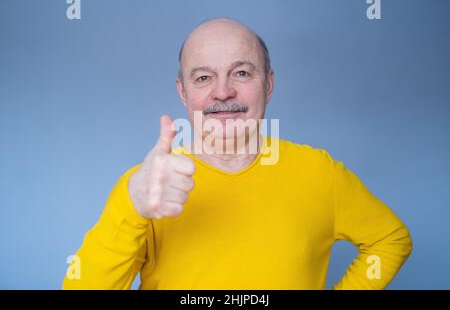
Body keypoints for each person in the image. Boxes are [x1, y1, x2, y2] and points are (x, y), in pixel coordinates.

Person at [63, 18, 412, 290]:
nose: (223, 91)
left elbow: (390, 239)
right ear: (183, 93)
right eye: (203, 78)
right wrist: (132, 205)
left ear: (269, 84)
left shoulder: (320, 172)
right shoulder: (148, 187)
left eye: (241, 73)